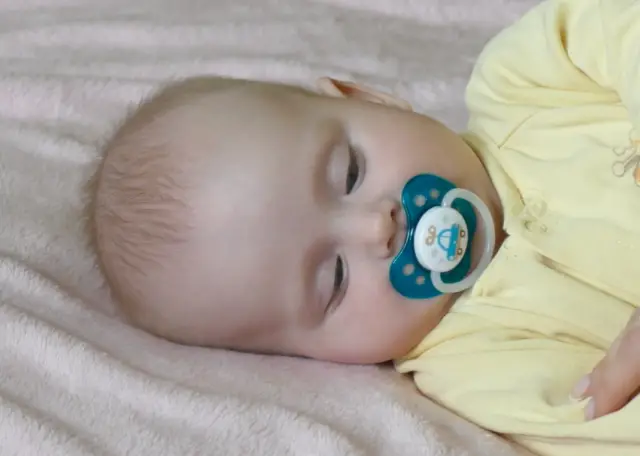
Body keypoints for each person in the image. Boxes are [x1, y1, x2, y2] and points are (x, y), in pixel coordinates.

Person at [92, 0, 640, 454]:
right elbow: (602, 429)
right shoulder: (475, 367)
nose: (378, 229)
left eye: (350, 172)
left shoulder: (522, 82)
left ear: (369, 99)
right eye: (333, 279)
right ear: (313, 359)